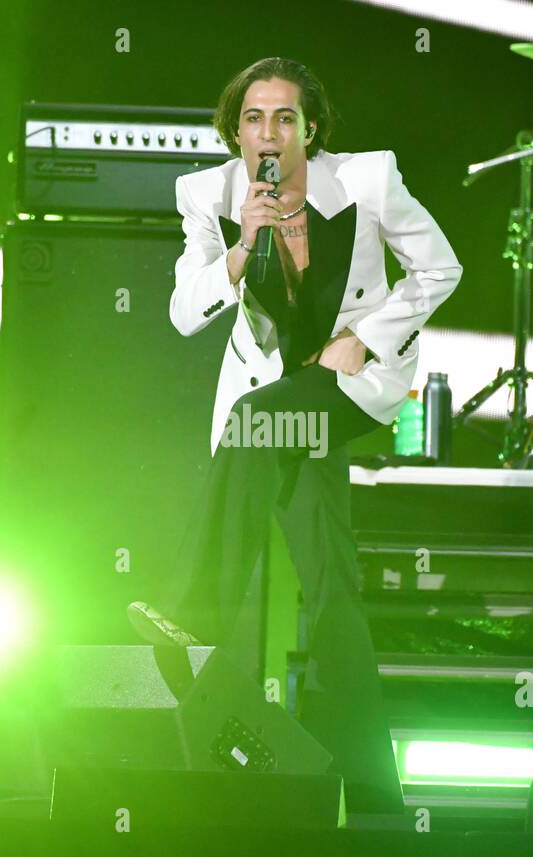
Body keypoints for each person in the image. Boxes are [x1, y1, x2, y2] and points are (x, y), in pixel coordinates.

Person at [127, 57, 461, 816]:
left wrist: (368, 339)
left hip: (349, 384)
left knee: (258, 422)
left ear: (312, 128)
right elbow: (185, 313)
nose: (268, 132)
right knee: (330, 578)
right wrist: (242, 247)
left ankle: (191, 618)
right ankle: (371, 786)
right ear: (235, 132)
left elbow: (439, 268)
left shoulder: (370, 181)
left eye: (285, 117)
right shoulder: (206, 197)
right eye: (253, 118)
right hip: (274, 393)